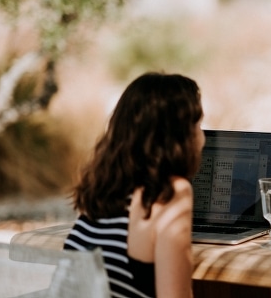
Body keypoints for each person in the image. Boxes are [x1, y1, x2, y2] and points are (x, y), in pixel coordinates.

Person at [64, 72, 204, 298]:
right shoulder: (170, 192)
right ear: (178, 137)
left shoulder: (103, 186)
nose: (201, 135)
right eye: (197, 124)